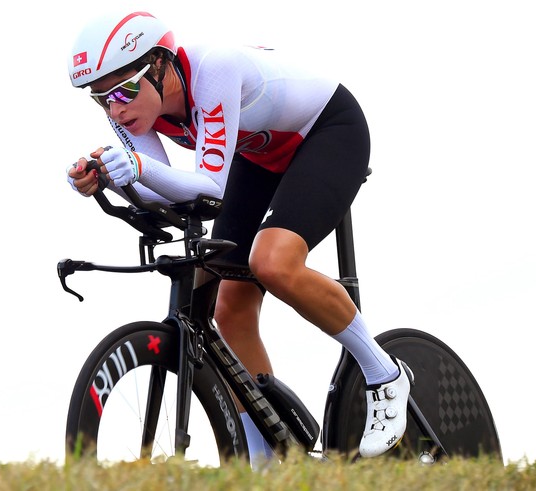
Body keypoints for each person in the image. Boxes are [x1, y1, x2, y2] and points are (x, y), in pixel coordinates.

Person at [64, 11, 413, 461]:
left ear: (160, 64)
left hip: (326, 133)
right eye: (100, 99)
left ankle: (384, 373)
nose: (115, 108)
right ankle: (269, 456)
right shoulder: (130, 115)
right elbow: (163, 189)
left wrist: (135, 169)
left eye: (124, 90)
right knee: (223, 305)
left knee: (272, 261)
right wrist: (110, 180)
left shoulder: (215, 70)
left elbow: (209, 186)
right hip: (259, 155)